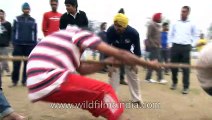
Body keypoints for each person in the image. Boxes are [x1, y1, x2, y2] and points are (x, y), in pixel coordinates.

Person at [26, 25, 158, 120]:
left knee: (92, 101)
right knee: (105, 90)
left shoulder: (62, 40)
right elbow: (121, 53)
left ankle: (112, 115)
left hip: (36, 85)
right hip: (49, 77)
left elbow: (82, 70)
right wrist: (148, 64)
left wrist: (107, 62)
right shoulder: (80, 34)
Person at [106, 13, 142, 104]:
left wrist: (135, 64)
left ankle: (136, 99)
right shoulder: (110, 31)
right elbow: (106, 48)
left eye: (119, 26)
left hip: (128, 55)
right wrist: (110, 65)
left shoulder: (134, 33)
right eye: (115, 25)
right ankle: (112, 99)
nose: (116, 28)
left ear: (125, 26)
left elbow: (137, 50)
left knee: (133, 75)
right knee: (113, 76)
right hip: (115, 54)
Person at [168, 6, 199, 94]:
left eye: (184, 12)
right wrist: (171, 44)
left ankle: (186, 87)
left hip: (186, 47)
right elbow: (170, 34)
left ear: (188, 13)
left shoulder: (192, 23)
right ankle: (174, 82)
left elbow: (196, 35)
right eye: (182, 11)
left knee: (186, 68)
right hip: (175, 46)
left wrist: (192, 45)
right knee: (174, 66)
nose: (182, 13)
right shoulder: (175, 22)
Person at [11, 2, 37, 87]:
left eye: (28, 8)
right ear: (22, 9)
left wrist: (34, 44)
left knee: (27, 64)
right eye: (25, 8)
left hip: (29, 45)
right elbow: (13, 31)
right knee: (16, 63)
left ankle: (24, 81)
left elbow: (35, 33)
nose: (26, 10)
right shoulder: (17, 19)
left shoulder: (33, 20)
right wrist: (14, 42)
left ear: (29, 10)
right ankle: (14, 81)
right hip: (18, 44)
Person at [145, 13, 167, 84]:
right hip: (154, 47)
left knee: (159, 62)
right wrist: (153, 44)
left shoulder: (158, 26)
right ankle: (149, 78)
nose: (161, 19)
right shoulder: (151, 25)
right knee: (154, 62)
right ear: (157, 18)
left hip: (158, 47)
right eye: (160, 17)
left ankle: (159, 78)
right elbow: (148, 36)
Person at [0, 9, 12, 75]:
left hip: (5, 45)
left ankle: (6, 71)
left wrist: (10, 43)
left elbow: (10, 34)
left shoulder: (8, 24)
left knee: (4, 59)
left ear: (4, 15)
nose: (0, 15)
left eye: (2, 14)